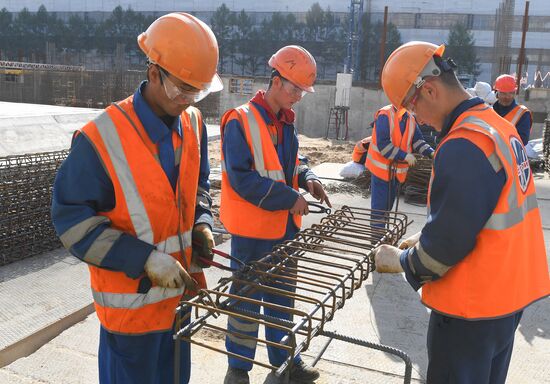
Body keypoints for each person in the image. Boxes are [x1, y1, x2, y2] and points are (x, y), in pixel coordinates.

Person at [51, 13, 221, 384]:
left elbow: (198, 186)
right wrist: (142, 258)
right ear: (153, 71)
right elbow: (72, 222)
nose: (188, 100)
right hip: (131, 315)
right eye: (182, 90)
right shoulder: (101, 139)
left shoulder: (193, 124)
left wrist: (202, 223)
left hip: (178, 305)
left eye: (198, 92)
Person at [373, 41, 550, 383]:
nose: (415, 118)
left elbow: (443, 251)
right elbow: (483, 211)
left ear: (429, 90)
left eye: (411, 106)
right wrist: (426, 235)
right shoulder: (495, 126)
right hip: (506, 299)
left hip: (471, 307)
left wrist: (400, 260)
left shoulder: (463, 143)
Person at [219, 45, 330, 384]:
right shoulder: (240, 120)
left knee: (282, 300)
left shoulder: (284, 122)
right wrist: (288, 197)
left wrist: (306, 178)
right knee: (246, 301)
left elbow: (287, 165)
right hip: (252, 232)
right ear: (276, 80)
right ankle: (238, 370)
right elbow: (242, 178)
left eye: (302, 90)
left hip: (284, 230)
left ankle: (287, 364)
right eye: (294, 88)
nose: (298, 96)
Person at [365, 104, 434, 229]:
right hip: (382, 172)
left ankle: (382, 237)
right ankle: (376, 240)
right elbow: (384, 146)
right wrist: (405, 156)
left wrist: (432, 153)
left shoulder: (409, 119)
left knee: (388, 208)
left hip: (396, 173)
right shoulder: (385, 115)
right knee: (379, 210)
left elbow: (417, 141)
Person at [493, 74, 533, 145]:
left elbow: (523, 140)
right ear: (496, 93)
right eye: (503, 93)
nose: (507, 97)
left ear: (514, 93)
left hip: (510, 154)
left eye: (510, 93)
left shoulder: (522, 113)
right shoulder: (490, 112)